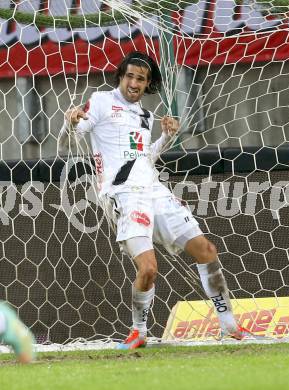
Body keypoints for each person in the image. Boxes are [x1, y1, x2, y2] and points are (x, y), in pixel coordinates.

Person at [60, 51, 250, 349]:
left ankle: (231, 327)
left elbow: (145, 158)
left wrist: (165, 138)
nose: (134, 83)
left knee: (206, 250)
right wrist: (71, 122)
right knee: (148, 268)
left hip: (153, 189)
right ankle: (138, 331)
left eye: (141, 78)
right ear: (120, 76)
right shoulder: (100, 101)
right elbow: (72, 136)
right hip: (124, 193)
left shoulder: (146, 117)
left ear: (148, 84)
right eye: (130, 76)